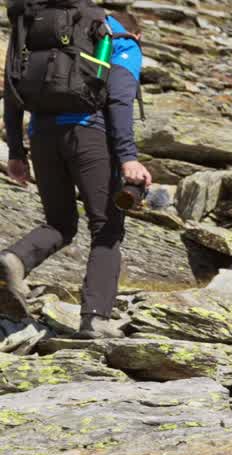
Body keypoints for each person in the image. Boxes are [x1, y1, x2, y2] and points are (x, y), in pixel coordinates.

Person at [0, 5, 150, 339]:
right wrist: (128, 158)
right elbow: (120, 101)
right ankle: (95, 318)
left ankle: (14, 258)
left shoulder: (33, 29)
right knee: (106, 229)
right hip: (90, 136)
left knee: (60, 222)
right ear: (138, 34)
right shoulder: (118, 36)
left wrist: (16, 152)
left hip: (41, 136)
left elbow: (11, 89)